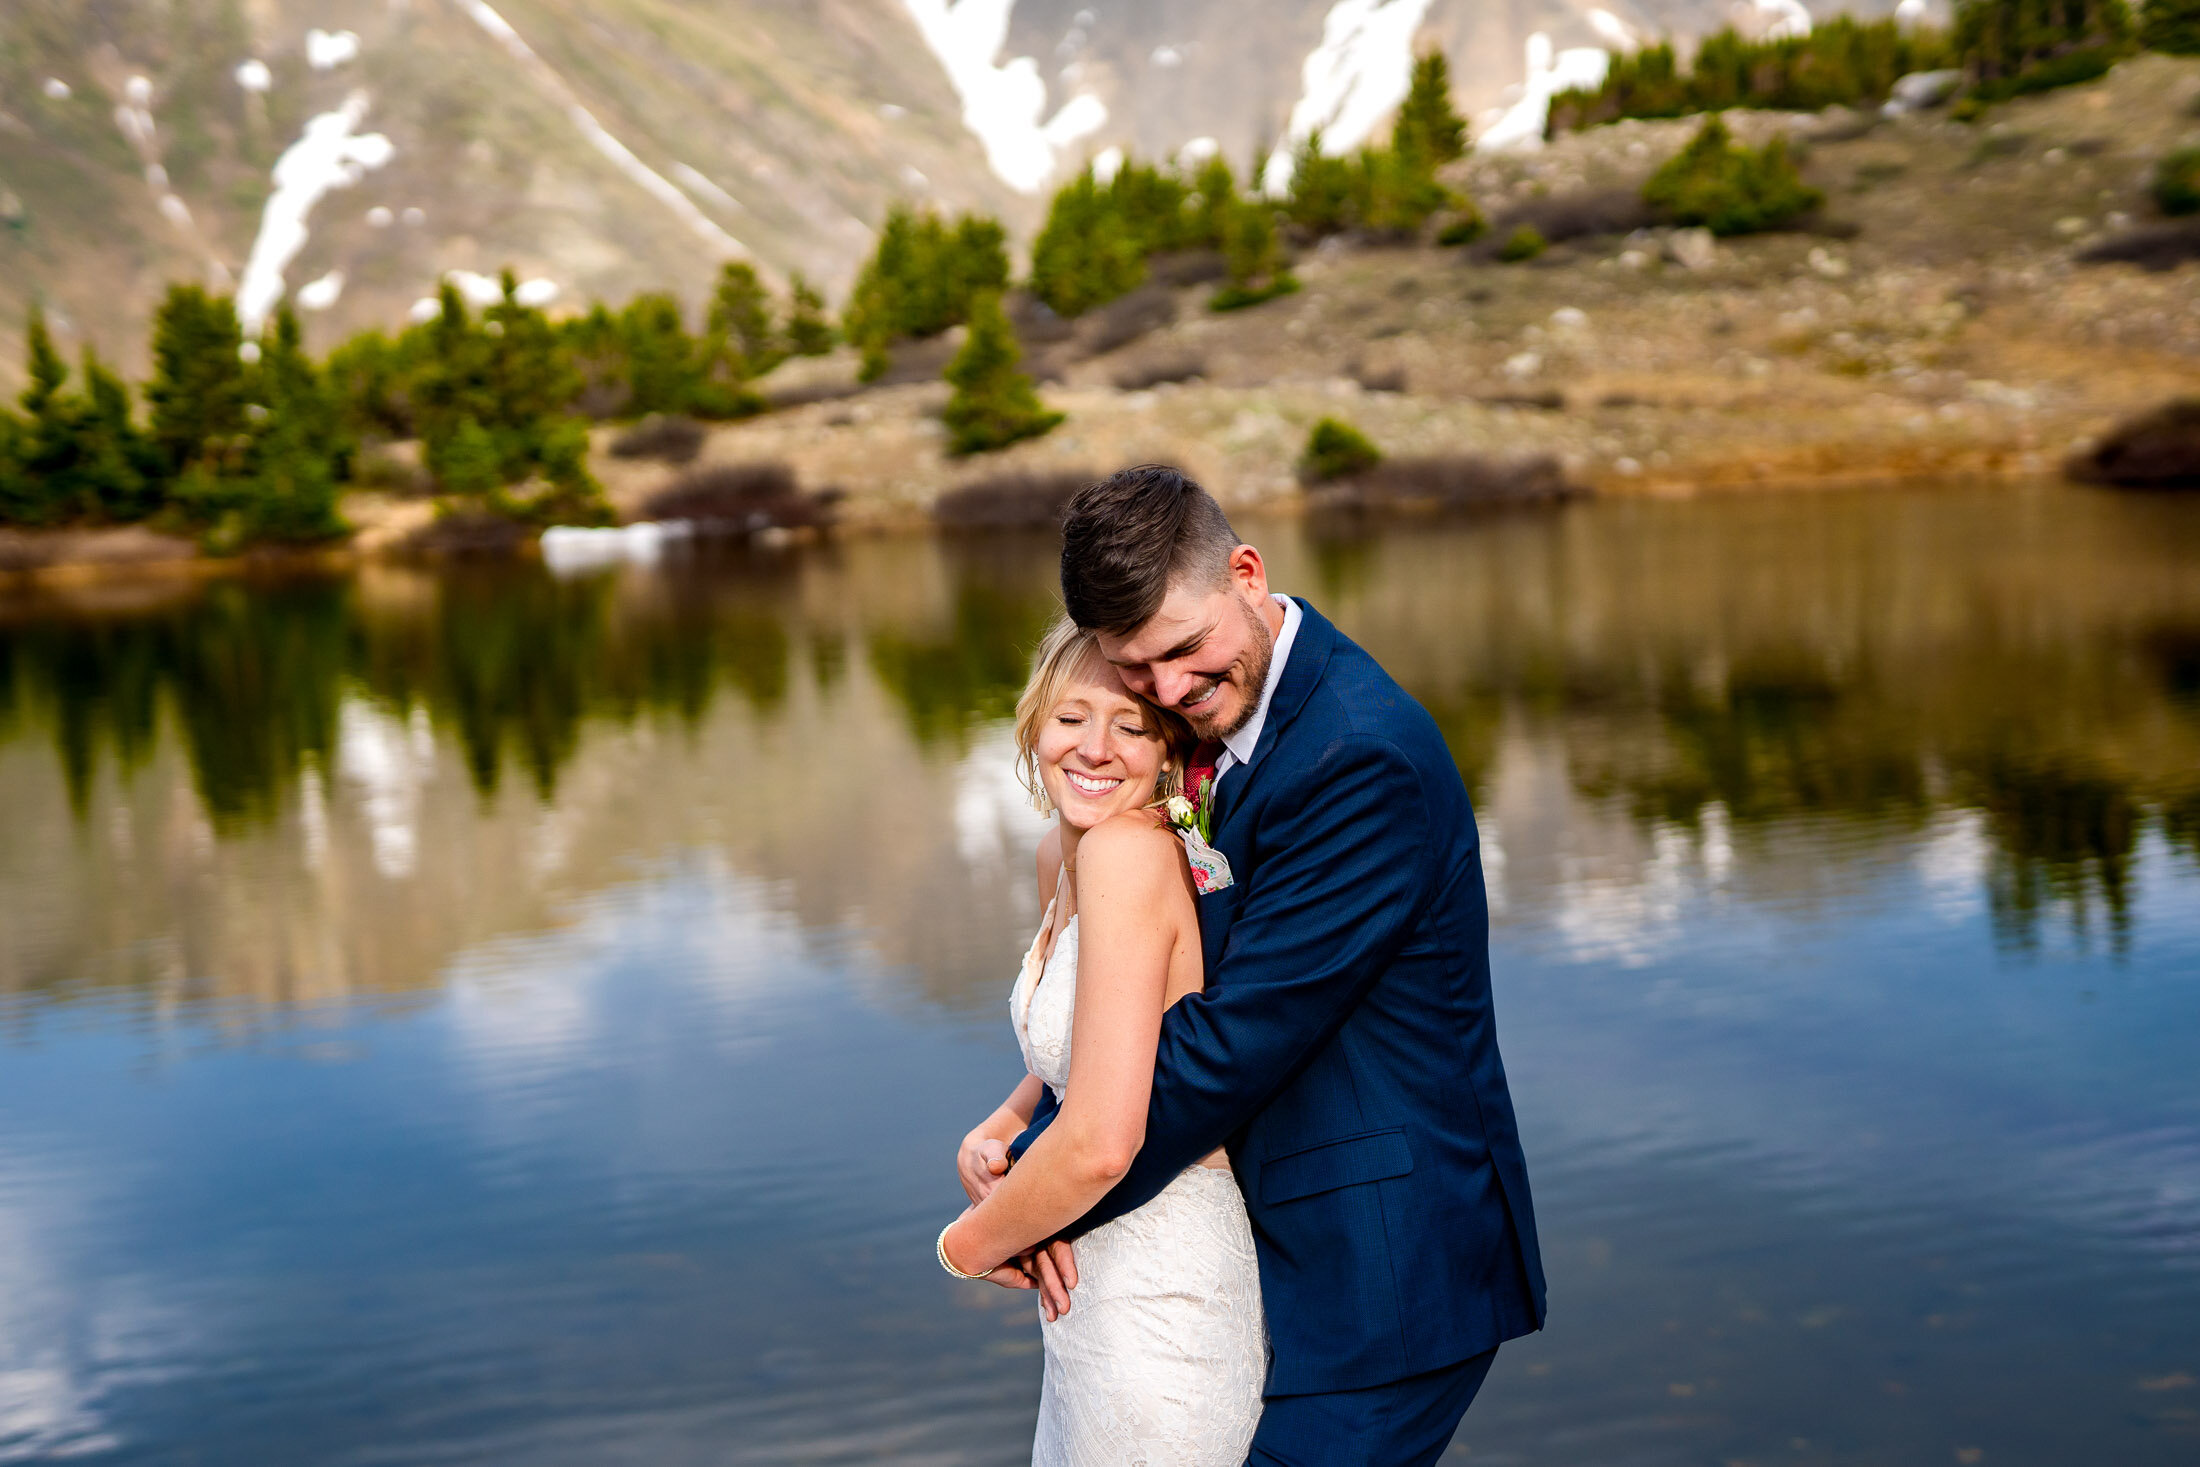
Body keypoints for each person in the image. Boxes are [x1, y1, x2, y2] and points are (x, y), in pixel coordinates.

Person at [942, 464, 1545, 1467]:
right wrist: (1024, 1135)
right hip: (1280, 1253)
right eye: (1135, 670)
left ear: (1248, 574)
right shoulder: (1216, 740)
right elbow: (1163, 1005)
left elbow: (1227, 1045)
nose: (1169, 690)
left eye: (1185, 651)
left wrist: (1011, 1215)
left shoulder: (1357, 756)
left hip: (1384, 1271)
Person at [942, 614, 1268, 1466]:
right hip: (1087, 1296)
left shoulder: (1128, 853)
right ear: (1033, 725)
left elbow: (1097, 1143)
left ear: (1167, 751)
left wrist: (967, 1246)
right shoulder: (1065, 853)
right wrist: (1006, 1124)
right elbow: (1090, 1049)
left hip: (1158, 1285)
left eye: (1128, 725)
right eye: (1070, 717)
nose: (1093, 748)